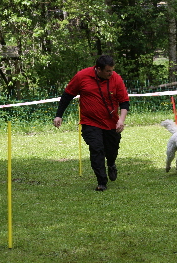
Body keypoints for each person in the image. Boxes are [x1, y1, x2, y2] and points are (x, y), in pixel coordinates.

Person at [53, 55, 130, 191]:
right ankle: (101, 182)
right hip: (90, 122)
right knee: (96, 149)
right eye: (108, 71)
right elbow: (67, 95)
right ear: (98, 69)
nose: (111, 73)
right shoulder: (82, 76)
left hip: (111, 123)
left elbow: (124, 101)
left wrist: (121, 120)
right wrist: (59, 115)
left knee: (111, 150)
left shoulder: (115, 78)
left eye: (112, 70)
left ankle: (111, 164)